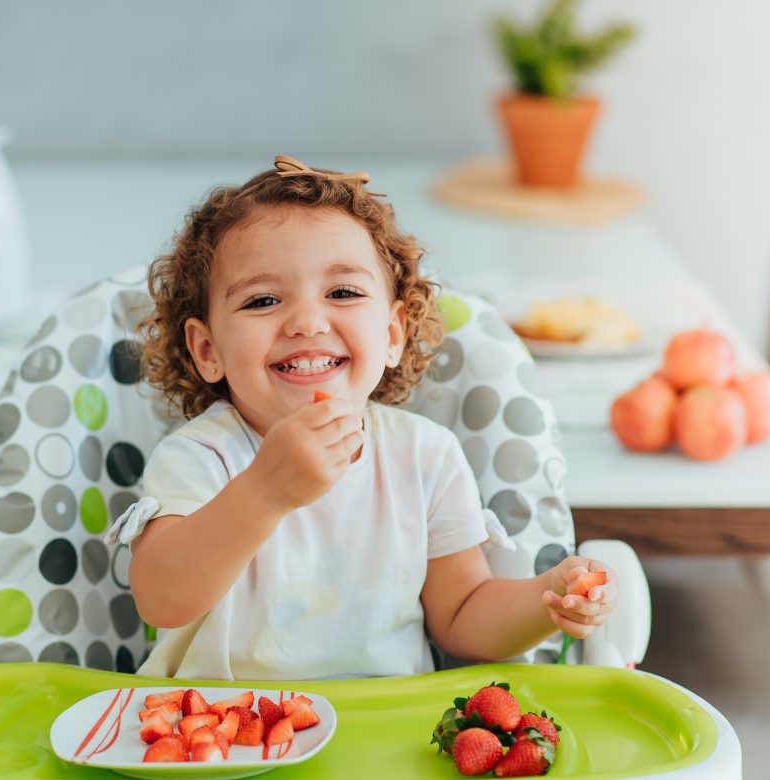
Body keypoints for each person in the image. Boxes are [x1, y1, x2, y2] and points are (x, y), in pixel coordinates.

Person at [105, 155, 617, 680]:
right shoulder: (199, 457)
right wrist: (265, 492)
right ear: (207, 348)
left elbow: (463, 615)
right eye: (262, 300)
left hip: (385, 740)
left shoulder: (425, 456)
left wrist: (545, 600)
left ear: (392, 334)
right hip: (223, 739)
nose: (306, 322)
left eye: (343, 293)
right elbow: (162, 599)